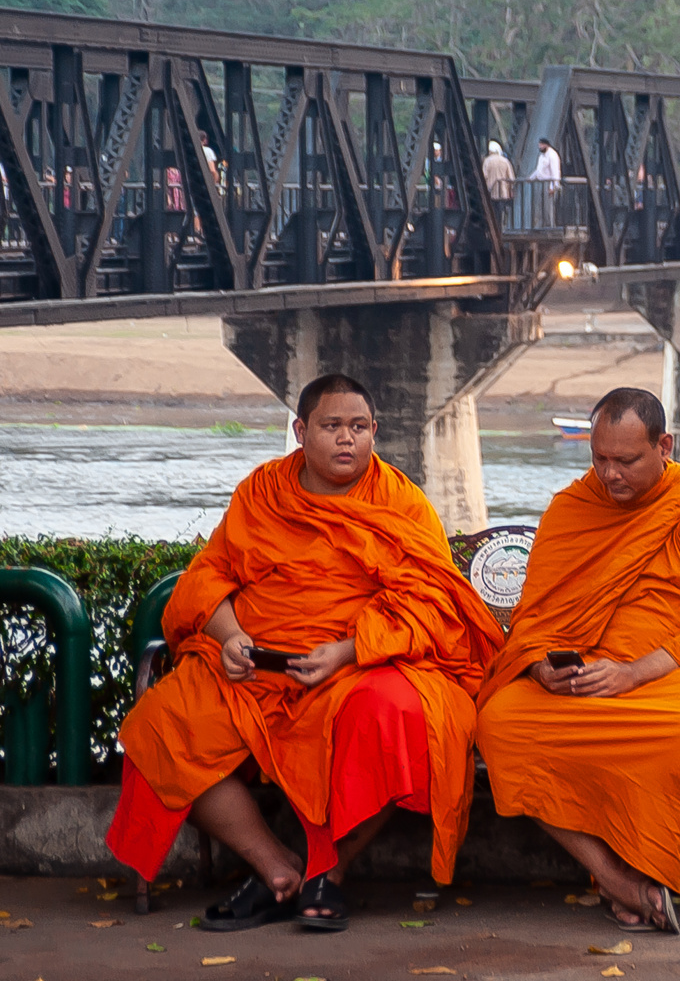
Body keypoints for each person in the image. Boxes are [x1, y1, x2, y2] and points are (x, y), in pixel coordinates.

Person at [106, 374, 505, 933]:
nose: (348, 440)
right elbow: (210, 576)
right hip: (254, 665)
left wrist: (346, 652)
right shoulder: (263, 491)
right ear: (300, 431)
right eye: (332, 426)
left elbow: (429, 603)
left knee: (402, 715)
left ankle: (331, 874)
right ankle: (278, 869)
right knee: (160, 725)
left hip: (358, 663)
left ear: (375, 432)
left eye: (359, 427)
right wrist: (230, 638)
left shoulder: (399, 501)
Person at [475, 387, 680, 935]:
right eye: (600, 459)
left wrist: (633, 673)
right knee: (501, 722)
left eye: (626, 461)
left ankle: (648, 871)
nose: (610, 475)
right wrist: (543, 665)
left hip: (675, 677)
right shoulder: (573, 509)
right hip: (587, 677)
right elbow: (535, 615)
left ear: (664, 446)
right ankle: (615, 878)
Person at [529, 137, 562, 226]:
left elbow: (555, 172)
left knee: (548, 207)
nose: (539, 147)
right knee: (540, 206)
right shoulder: (542, 156)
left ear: (546, 145)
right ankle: (541, 225)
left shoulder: (552, 155)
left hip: (548, 184)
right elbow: (539, 170)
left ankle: (550, 225)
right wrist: (531, 178)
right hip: (541, 184)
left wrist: (553, 187)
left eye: (541, 145)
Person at [482, 141, 514, 229]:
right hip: (503, 192)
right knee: (502, 212)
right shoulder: (505, 161)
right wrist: (511, 190)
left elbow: (484, 176)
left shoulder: (487, 161)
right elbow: (511, 178)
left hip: (491, 192)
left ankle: (494, 229)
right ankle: (502, 228)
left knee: (492, 213)